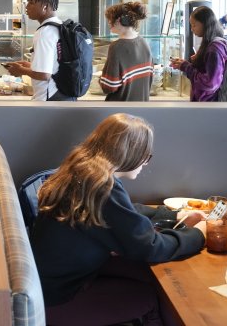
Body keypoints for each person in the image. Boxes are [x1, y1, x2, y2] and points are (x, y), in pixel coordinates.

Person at [31, 114, 205, 326]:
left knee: (145, 273)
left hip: (50, 285)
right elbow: (150, 247)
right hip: (57, 301)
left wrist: (173, 215)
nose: (145, 162)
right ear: (131, 152)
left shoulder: (81, 171)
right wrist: (198, 234)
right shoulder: (102, 187)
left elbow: (125, 213)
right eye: (146, 155)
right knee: (150, 296)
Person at [6, 0, 74, 101]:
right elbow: (54, 66)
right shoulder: (59, 26)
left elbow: (44, 74)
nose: (27, 6)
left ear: (45, 7)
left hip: (49, 98)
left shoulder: (44, 32)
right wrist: (30, 66)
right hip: (63, 94)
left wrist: (20, 70)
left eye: (31, 2)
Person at [169, 6, 227, 101]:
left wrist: (186, 67)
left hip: (209, 104)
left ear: (205, 24)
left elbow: (210, 84)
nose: (192, 29)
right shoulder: (210, 44)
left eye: (194, 25)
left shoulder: (214, 49)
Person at [99, 1, 153, 101]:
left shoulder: (116, 47)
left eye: (110, 19)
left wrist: (101, 78)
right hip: (142, 105)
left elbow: (109, 86)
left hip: (121, 106)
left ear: (119, 20)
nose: (108, 23)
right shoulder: (144, 43)